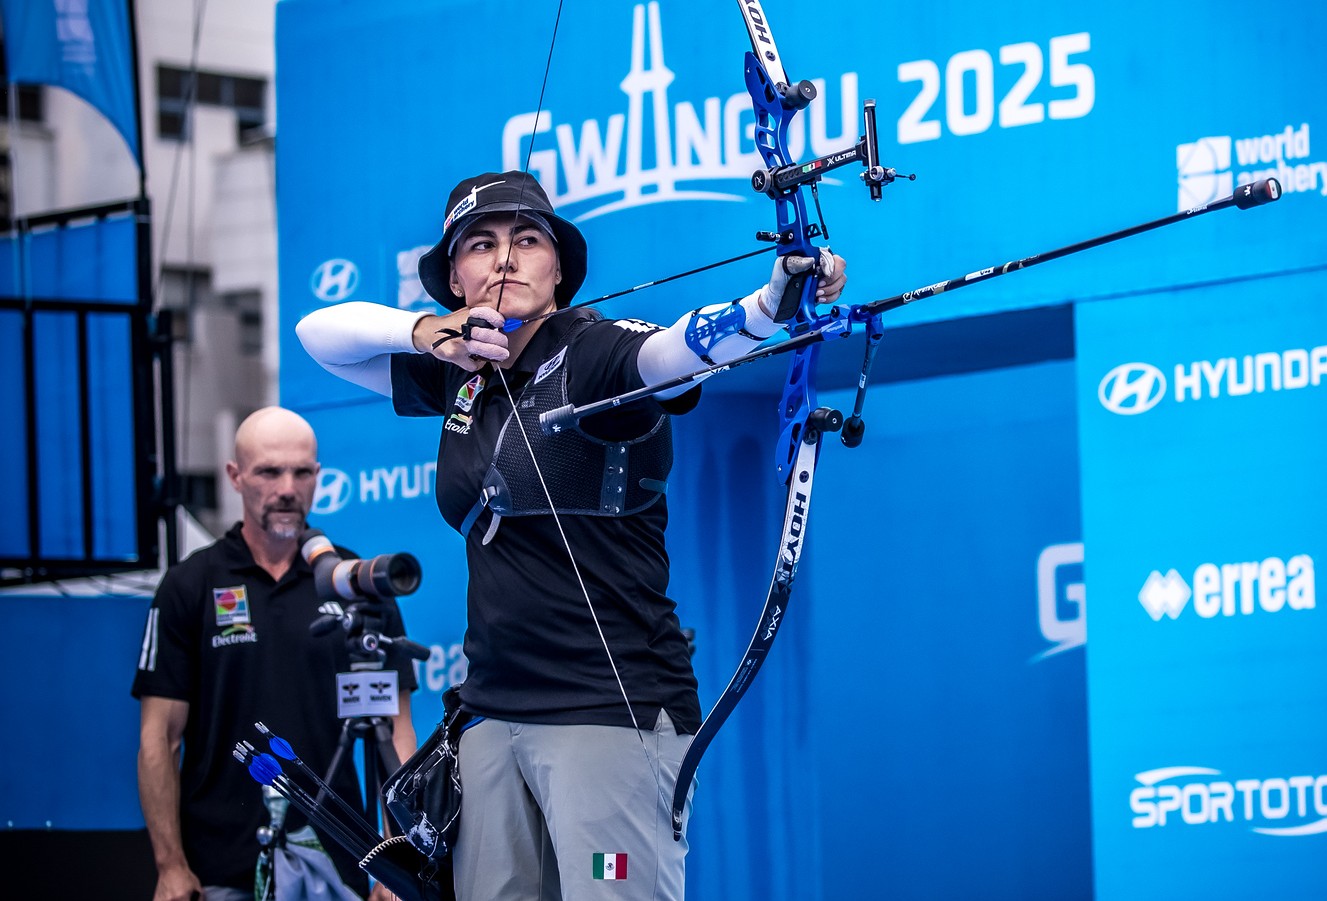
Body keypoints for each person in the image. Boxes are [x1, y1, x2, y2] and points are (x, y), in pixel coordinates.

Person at [295, 170, 846, 901]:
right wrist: (427, 334)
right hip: (490, 716)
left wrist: (768, 303)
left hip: (605, 710)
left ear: (558, 268)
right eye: (481, 245)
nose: (504, 259)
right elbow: (318, 336)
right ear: (455, 276)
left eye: (526, 240)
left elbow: (675, 352)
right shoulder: (460, 377)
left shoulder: (595, 352)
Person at [133, 406, 419, 901]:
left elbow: (395, 730)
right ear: (235, 477)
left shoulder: (356, 583)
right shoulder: (191, 584)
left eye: (302, 472)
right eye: (269, 471)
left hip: (340, 864)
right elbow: (159, 737)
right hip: (219, 869)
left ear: (317, 478)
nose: (288, 487)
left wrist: (391, 865)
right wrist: (170, 865)